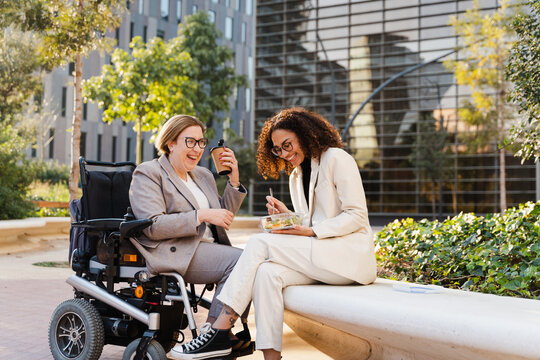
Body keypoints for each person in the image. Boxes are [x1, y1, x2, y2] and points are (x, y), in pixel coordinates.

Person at [170, 107, 377, 360]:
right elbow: (312, 221)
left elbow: (356, 215)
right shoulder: (296, 175)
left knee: (258, 244)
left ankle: (218, 330)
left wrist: (308, 229)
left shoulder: (336, 158)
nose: (285, 154)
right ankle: (271, 357)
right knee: (266, 274)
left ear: (305, 134)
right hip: (323, 257)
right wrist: (287, 215)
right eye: (278, 149)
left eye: (287, 145)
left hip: (348, 258)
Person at [128, 114, 251, 355]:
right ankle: (217, 333)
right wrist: (200, 215)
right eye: (190, 142)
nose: (197, 149)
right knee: (242, 261)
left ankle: (220, 332)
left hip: (207, 248)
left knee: (253, 260)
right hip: (175, 251)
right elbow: (152, 225)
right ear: (171, 143)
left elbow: (223, 216)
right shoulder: (149, 173)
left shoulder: (203, 175)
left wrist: (234, 180)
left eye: (201, 142)